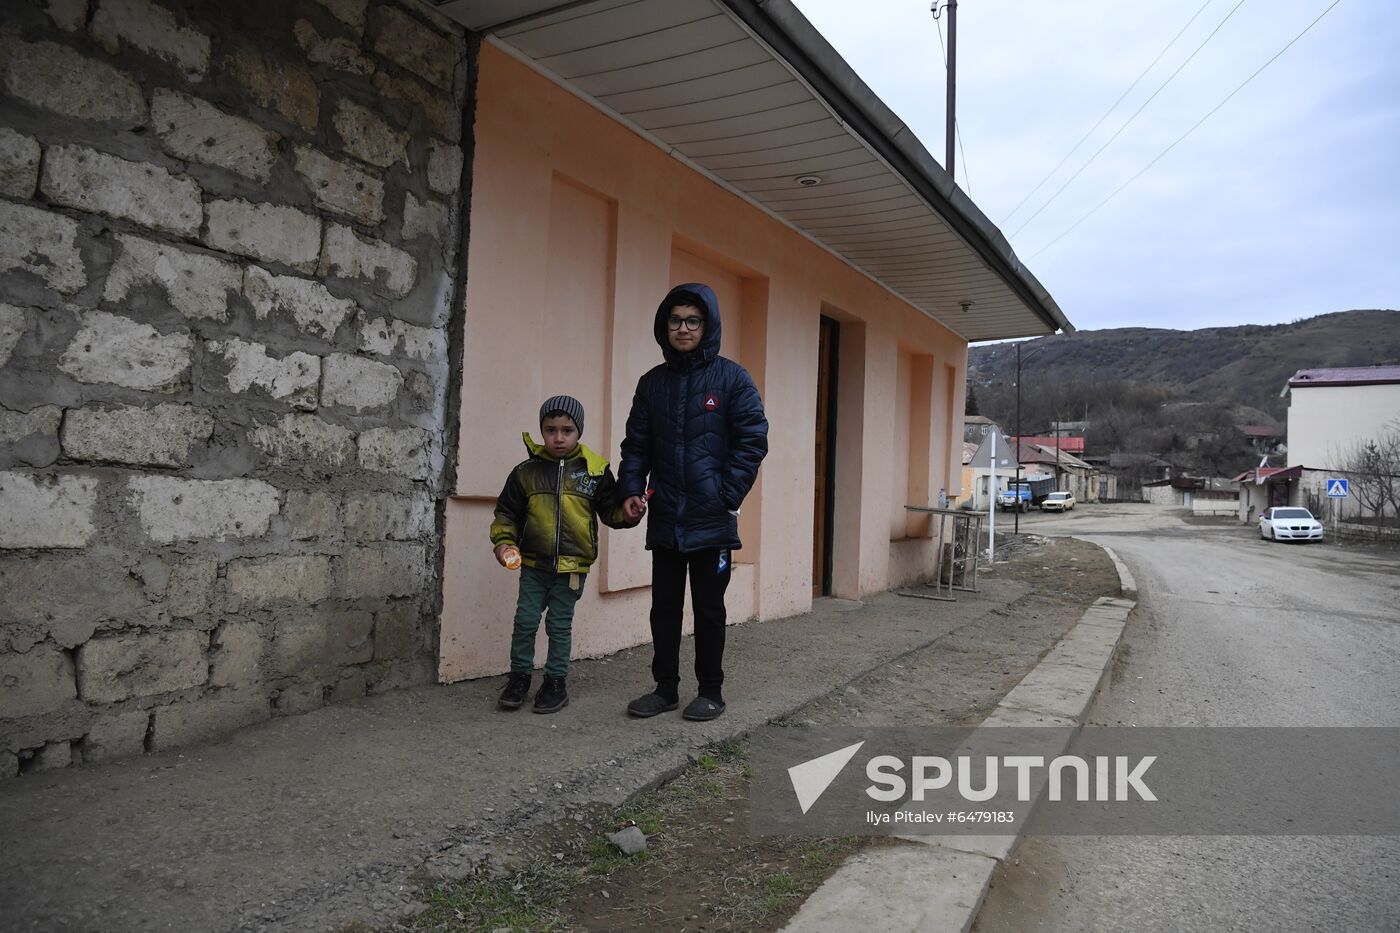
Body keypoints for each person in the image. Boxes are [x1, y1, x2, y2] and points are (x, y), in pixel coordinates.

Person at [618, 283, 769, 721]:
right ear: (664, 327)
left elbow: (752, 441)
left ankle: (711, 691)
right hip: (665, 516)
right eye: (675, 321)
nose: (683, 328)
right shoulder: (652, 384)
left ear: (708, 326)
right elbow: (636, 445)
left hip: (713, 521)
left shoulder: (732, 379)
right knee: (663, 608)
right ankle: (664, 688)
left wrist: (727, 495)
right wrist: (632, 489)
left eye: (692, 321)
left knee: (708, 608)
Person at [490, 395, 633, 713]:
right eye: (550, 429)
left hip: (572, 568)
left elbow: (611, 512)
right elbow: (507, 513)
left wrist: (629, 512)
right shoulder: (525, 472)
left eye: (566, 430)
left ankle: (555, 683)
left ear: (578, 431)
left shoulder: (595, 472)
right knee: (525, 622)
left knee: (559, 625)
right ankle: (519, 678)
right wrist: (504, 542)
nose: (558, 437)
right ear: (541, 430)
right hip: (532, 564)